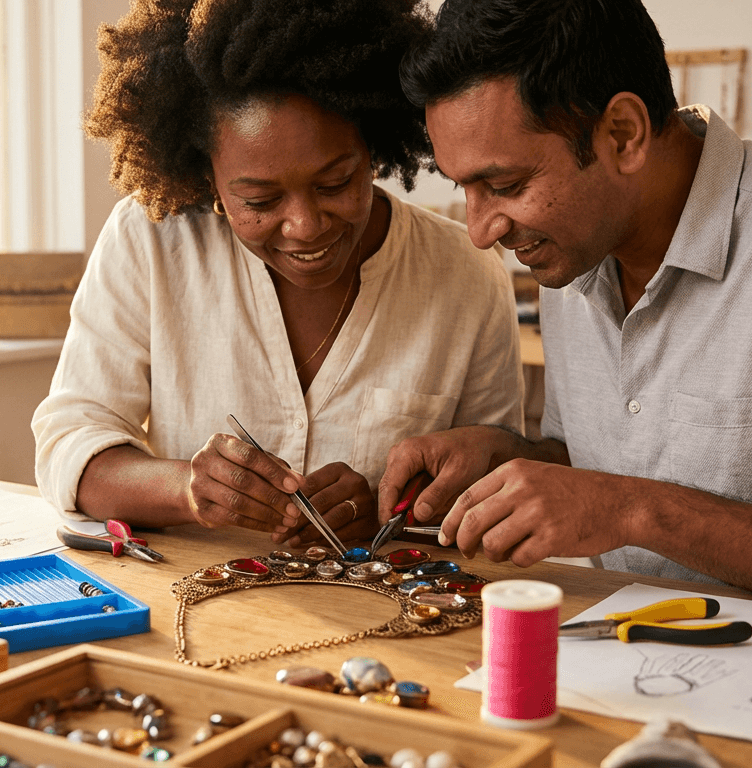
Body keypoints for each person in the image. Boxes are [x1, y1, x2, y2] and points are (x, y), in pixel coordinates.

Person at [380, 0, 752, 617]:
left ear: (623, 134)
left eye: (505, 186)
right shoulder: (575, 250)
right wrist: (511, 458)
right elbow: (615, 463)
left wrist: (632, 509)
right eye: (465, 189)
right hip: (637, 653)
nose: (482, 230)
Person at [32, 0, 524, 547]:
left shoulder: (466, 273)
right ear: (207, 175)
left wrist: (394, 518)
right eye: (260, 199)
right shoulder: (151, 240)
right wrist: (187, 489)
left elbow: (496, 483)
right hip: (196, 612)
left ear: (373, 145)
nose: (305, 226)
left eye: (336, 183)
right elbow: (67, 445)